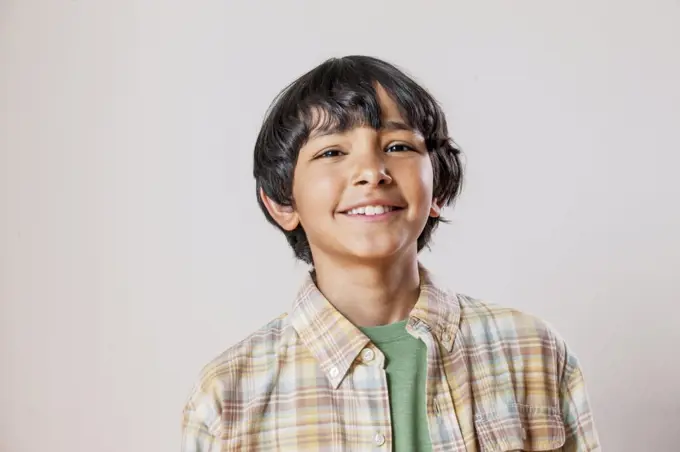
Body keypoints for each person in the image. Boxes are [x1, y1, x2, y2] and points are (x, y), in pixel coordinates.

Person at [181, 55, 600, 451]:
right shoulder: (228, 396)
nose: (372, 172)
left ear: (437, 189)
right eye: (332, 152)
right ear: (282, 203)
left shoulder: (533, 351)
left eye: (398, 147)